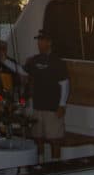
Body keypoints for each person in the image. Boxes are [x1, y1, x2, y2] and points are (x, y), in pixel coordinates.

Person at [24, 30, 69, 162]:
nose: (39, 42)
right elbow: (22, 71)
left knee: (55, 140)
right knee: (38, 139)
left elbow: (65, 85)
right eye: (38, 40)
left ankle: (55, 166)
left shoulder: (58, 62)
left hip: (53, 107)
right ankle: (40, 162)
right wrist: (4, 60)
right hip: (38, 106)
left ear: (49, 42)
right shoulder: (33, 60)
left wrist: (62, 105)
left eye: (42, 40)